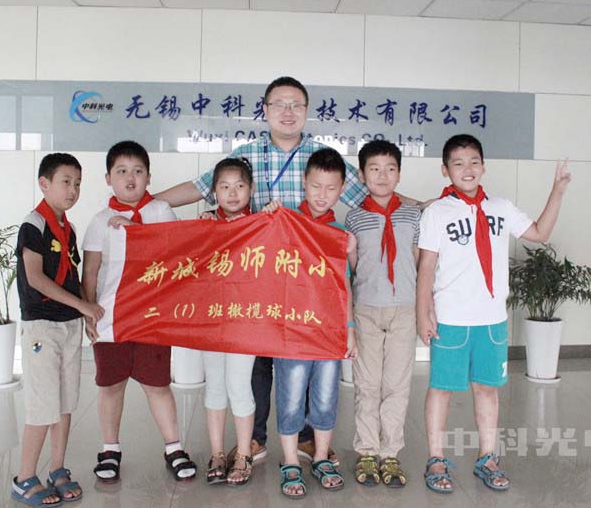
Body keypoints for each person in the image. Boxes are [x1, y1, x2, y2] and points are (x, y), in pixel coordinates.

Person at [156, 75, 419, 465]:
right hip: (259, 277)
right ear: (265, 110)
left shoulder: (321, 156)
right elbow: (200, 187)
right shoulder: (246, 155)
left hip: (308, 283)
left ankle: (309, 438)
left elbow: (375, 193)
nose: (288, 111)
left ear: (307, 111)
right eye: (279, 104)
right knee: (259, 360)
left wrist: (427, 207)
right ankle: (257, 438)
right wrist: (145, 205)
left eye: (296, 104)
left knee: (308, 355)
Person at [416, 134, 571, 493]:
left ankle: (488, 457)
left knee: (487, 389)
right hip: (451, 319)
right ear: (445, 170)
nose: (467, 169)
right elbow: (426, 267)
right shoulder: (437, 212)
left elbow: (540, 233)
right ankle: (436, 458)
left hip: (491, 320)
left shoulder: (501, 207)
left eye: (474, 162)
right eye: (458, 163)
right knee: (442, 389)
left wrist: (558, 190)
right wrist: (423, 313)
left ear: (483, 167)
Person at [81, 141, 196, 484]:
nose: (130, 178)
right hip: (111, 318)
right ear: (108, 178)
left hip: (153, 317)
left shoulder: (161, 211)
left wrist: (136, 232)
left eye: (137, 171)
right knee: (111, 385)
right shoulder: (100, 221)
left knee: (157, 385)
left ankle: (174, 448)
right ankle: (110, 450)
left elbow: (175, 255)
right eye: (121, 171)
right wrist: (89, 312)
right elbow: (90, 272)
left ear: (148, 177)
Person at [262, 148, 358, 499]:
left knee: (325, 398)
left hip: (329, 332)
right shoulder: (285, 222)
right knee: (289, 398)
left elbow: (345, 286)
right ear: (304, 182)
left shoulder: (340, 233)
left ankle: (319, 457)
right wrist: (268, 217)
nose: (322, 195)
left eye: (331, 188)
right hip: (291, 332)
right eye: (316, 186)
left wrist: (350, 329)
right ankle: (290, 460)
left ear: (342, 189)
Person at [12, 153, 105, 506]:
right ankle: (24, 478)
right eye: (66, 181)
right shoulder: (34, 225)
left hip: (68, 325)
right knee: (42, 405)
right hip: (42, 326)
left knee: (65, 402)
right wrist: (83, 306)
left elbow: (73, 276)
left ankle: (57, 469)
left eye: (78, 183)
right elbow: (35, 278)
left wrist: (86, 313)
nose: (73, 190)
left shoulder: (69, 229)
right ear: (44, 183)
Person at [345, 140, 421, 488]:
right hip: (366, 310)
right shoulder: (354, 217)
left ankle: (390, 453)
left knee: (397, 385)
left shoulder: (413, 215)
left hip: (403, 309)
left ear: (399, 174)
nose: (382, 175)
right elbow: (353, 266)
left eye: (390, 169)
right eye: (374, 169)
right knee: (367, 384)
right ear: (362, 175)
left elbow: (418, 261)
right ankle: (366, 450)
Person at [197, 157, 257, 486]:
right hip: (210, 320)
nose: (232, 194)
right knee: (215, 387)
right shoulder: (204, 224)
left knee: (239, 386)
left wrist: (273, 217)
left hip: (245, 322)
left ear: (251, 189)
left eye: (239, 186)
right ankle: (218, 453)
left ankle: (244, 455)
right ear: (214, 191)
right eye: (224, 187)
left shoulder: (262, 224)